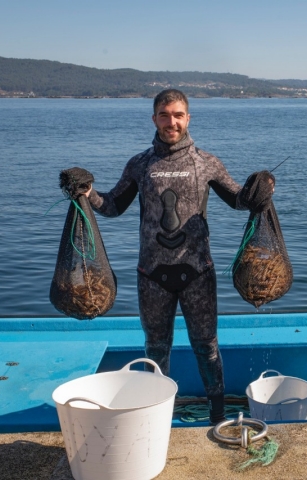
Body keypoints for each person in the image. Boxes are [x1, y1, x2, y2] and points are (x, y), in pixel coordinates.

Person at [80, 89, 273, 424]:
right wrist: (87, 193)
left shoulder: (207, 163)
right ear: (154, 118)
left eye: (178, 115)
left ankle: (217, 414)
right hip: (152, 274)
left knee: (207, 348)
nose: (172, 122)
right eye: (165, 115)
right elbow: (112, 206)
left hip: (197, 273)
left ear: (188, 118)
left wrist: (260, 188)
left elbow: (238, 200)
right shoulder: (140, 165)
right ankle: (157, 417)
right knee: (156, 349)